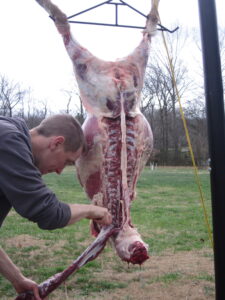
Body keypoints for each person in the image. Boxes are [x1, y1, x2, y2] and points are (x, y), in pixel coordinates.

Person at [0, 114, 112, 299]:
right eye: (67, 161)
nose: (60, 171)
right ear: (56, 143)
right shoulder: (8, 140)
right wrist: (91, 210)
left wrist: (17, 279)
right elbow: (48, 213)